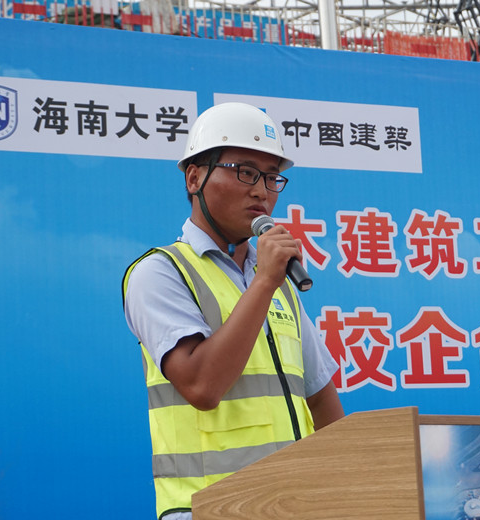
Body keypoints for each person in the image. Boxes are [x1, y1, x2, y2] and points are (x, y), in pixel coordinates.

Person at [122, 102, 345, 520]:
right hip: (207, 509)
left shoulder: (279, 284)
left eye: (271, 177)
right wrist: (264, 282)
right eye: (245, 171)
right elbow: (202, 386)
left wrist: (344, 494)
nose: (261, 191)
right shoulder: (160, 272)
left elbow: (320, 400)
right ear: (194, 177)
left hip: (291, 508)